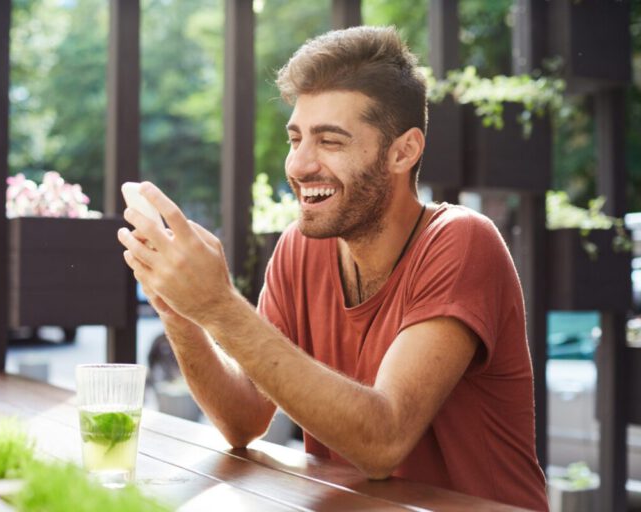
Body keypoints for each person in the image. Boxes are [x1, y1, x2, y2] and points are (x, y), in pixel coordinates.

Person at [117, 26, 548, 511]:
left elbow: (383, 442)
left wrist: (219, 306)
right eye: (296, 137)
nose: (299, 165)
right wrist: (181, 311)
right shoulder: (299, 249)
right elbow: (243, 420)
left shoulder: (462, 241)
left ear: (403, 151)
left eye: (330, 141)